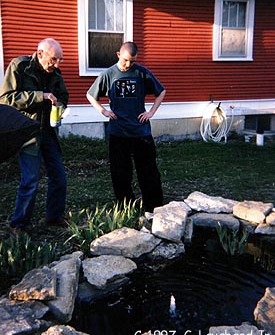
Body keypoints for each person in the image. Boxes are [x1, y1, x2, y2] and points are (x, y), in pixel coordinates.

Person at [86, 41, 166, 212]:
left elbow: (161, 91)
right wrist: (103, 111)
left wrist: (151, 112)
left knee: (148, 171)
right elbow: (90, 95)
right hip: (118, 132)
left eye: (133, 61)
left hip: (140, 131)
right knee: (120, 173)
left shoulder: (141, 73)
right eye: (126, 60)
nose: (129, 64)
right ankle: (125, 207)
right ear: (118, 55)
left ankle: (154, 207)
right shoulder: (108, 74)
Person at [0, 38, 69, 230]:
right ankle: (19, 224)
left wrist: (60, 107)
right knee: (30, 179)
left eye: (60, 60)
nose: (57, 64)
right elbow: (6, 98)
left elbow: (63, 96)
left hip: (47, 131)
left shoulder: (55, 73)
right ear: (40, 54)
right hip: (27, 131)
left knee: (59, 176)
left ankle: (54, 217)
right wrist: (42, 96)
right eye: (54, 59)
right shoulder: (20, 66)